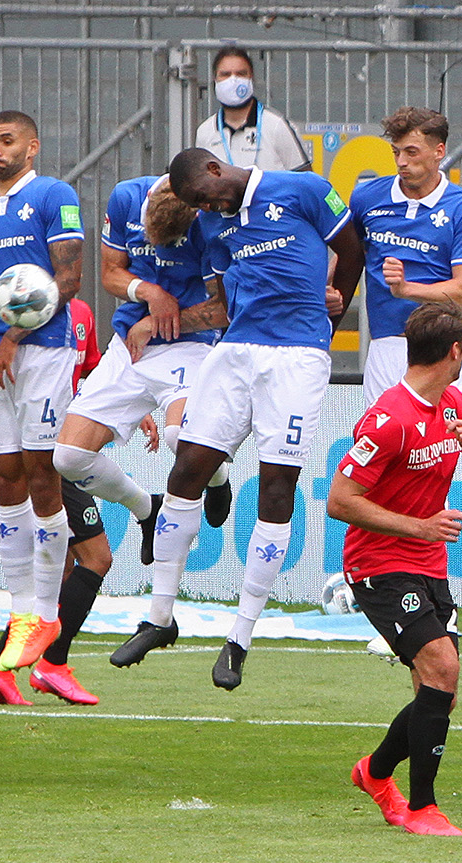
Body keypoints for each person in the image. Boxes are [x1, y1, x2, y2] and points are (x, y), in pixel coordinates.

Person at [110, 146, 363, 690]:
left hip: (297, 357)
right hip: (235, 351)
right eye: (198, 203)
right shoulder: (212, 224)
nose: (207, 206)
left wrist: (337, 302)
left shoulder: (304, 190)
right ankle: (159, 618)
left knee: (276, 487)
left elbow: (349, 242)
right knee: (185, 470)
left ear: (217, 170)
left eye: (206, 195)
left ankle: (240, 638)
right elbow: (221, 292)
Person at [328, 300, 462, 836]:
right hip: (378, 564)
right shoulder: (389, 418)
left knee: (441, 692)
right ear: (456, 352)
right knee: (442, 670)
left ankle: (376, 772)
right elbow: (340, 500)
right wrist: (420, 528)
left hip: (429, 566)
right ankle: (423, 808)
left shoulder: (456, 406)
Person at [53, 173, 232, 574]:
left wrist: (160, 321)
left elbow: (224, 308)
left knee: (179, 437)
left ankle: (217, 479)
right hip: (129, 347)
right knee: (68, 456)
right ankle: (145, 508)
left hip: (191, 343)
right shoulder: (125, 195)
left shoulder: (212, 219)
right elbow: (111, 272)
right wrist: (148, 292)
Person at [0, 110, 85, 675]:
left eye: (6, 141)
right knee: (4, 475)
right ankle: (22, 615)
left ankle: (49, 609)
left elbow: (70, 279)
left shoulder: (55, 195)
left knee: (41, 470)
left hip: (43, 350)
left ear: (31, 147)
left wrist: (12, 332)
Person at [0, 297, 125, 707]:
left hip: (65, 448)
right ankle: (49, 666)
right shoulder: (18, 312)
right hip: (46, 456)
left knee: (64, 568)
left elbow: (92, 373)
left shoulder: (82, 314)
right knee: (96, 557)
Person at [349, 106, 462, 406]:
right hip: (387, 344)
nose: (401, 162)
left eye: (411, 152)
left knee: (443, 443)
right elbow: (348, 255)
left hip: (442, 346)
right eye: (396, 152)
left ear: (439, 151)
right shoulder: (366, 198)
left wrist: (406, 290)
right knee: (384, 445)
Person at [193, 45, 312, 173]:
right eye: (225, 74)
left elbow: (304, 178)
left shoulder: (276, 125)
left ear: (252, 78)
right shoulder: (205, 131)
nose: (233, 80)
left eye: (241, 74)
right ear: (215, 80)